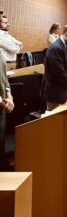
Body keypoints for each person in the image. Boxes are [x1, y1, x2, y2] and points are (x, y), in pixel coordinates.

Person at [44, 25, 67, 111]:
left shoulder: (66, 47)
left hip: (63, 90)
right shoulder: (55, 48)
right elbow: (58, 72)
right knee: (55, 122)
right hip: (55, 93)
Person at [0, 13, 15, 171]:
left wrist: (9, 95)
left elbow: (3, 77)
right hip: (2, 103)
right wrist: (3, 101)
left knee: (1, 144)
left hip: (3, 105)